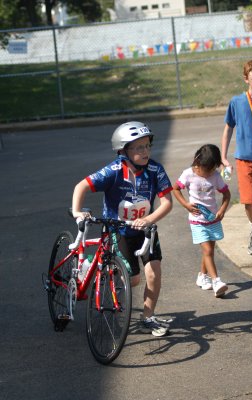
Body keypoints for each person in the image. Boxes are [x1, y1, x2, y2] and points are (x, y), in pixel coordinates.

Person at [72, 121, 173, 336]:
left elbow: (167, 203)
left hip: (145, 230)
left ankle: (148, 317)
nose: (145, 151)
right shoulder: (114, 170)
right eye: (138, 147)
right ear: (123, 150)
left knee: (154, 273)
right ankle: (90, 264)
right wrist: (77, 212)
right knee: (133, 279)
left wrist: (149, 220)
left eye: (147, 146)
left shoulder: (156, 169)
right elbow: (81, 186)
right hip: (119, 231)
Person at [173, 144, 231, 298]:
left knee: (208, 252)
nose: (206, 173)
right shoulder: (188, 174)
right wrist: (186, 205)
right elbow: (176, 189)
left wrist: (222, 210)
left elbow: (227, 195)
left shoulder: (216, 176)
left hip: (213, 219)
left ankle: (202, 276)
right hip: (197, 220)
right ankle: (216, 281)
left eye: (210, 170)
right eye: (204, 169)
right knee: (208, 251)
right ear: (196, 162)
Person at [222, 59, 252, 256]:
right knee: (248, 201)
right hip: (244, 160)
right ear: (246, 79)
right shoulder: (237, 102)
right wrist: (223, 156)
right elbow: (228, 128)